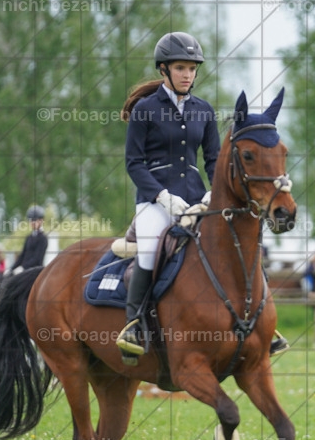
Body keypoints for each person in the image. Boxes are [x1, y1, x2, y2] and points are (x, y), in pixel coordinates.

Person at [115, 31, 288, 359]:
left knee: (241, 242)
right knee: (151, 247)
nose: (187, 75)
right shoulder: (145, 110)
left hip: (197, 198)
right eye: (181, 68)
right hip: (154, 199)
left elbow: (213, 161)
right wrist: (161, 196)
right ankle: (134, 324)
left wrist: (213, 195)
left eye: (192, 69)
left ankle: (262, 321)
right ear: (164, 70)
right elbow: (133, 163)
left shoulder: (203, 110)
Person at [10, 205, 48, 274]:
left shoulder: (43, 238)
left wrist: (23, 267)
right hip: (25, 270)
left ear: (41, 221)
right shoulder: (28, 237)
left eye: (35, 220)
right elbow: (22, 255)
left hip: (35, 271)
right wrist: (11, 268)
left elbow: (37, 258)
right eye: (31, 220)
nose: (32, 222)